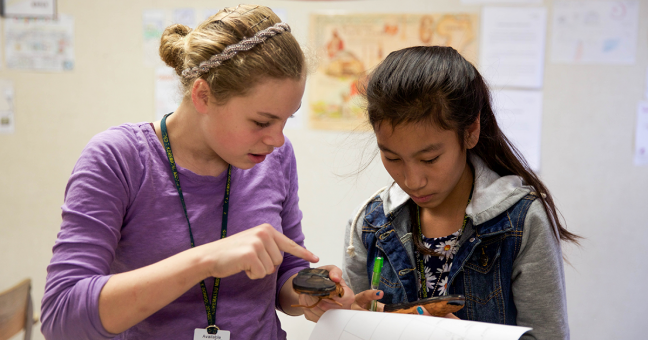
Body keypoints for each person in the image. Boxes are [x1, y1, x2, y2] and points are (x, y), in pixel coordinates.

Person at [41, 5, 352, 340]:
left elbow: (285, 273)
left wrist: (306, 292)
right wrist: (204, 261)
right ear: (203, 95)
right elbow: (62, 319)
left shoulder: (275, 158)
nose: (277, 140)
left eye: (286, 119)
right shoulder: (119, 158)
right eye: (261, 122)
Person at [342, 46, 580, 339]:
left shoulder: (521, 221)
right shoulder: (370, 223)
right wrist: (352, 319)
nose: (412, 180)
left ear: (471, 131)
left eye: (430, 159)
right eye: (392, 158)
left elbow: (548, 335)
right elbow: (353, 324)